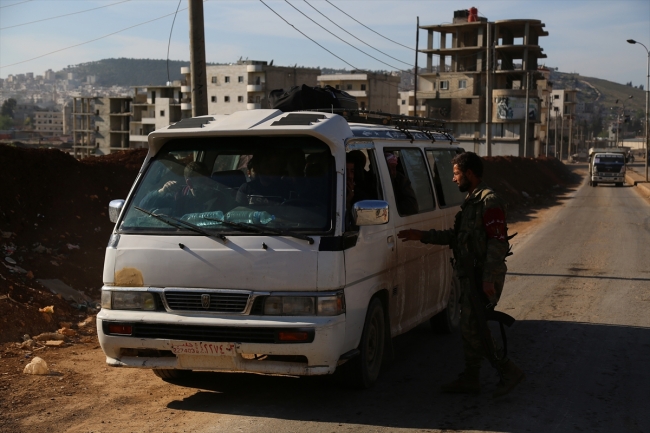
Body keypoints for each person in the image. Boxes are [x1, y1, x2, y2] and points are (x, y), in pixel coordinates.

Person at [397, 151, 524, 397]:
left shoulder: (489, 201)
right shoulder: (471, 202)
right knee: (469, 328)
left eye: (456, 173)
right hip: (470, 275)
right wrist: (421, 235)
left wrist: (488, 278)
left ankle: (508, 371)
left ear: (469, 173)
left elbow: (498, 243)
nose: (453, 179)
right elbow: (456, 238)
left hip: (483, 277)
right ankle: (471, 377)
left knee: (476, 328)